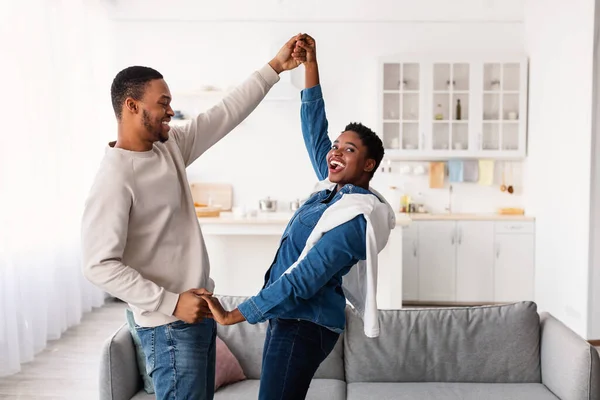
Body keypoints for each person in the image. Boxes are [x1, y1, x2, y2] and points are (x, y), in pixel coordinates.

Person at [80, 34, 308, 400]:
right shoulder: (114, 177)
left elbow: (224, 113)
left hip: (197, 317)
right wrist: (170, 302)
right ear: (132, 106)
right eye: (163, 103)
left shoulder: (169, 147)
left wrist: (276, 66)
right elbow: (98, 265)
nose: (171, 111)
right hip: (168, 328)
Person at [202, 35, 395, 400]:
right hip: (293, 317)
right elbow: (314, 126)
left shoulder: (357, 217)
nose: (335, 151)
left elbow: (304, 280)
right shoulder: (332, 192)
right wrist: (310, 64)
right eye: (336, 145)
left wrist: (236, 314)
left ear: (368, 165)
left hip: (304, 324)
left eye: (348, 149)